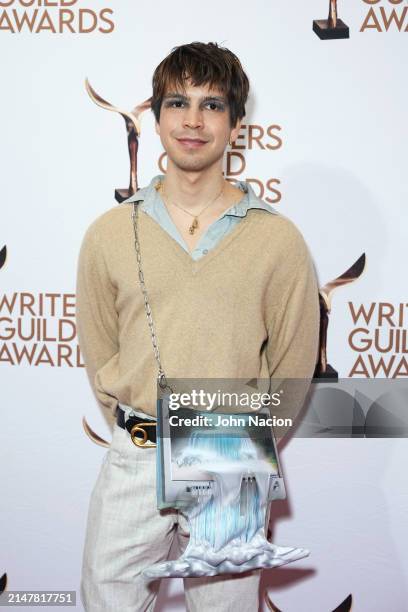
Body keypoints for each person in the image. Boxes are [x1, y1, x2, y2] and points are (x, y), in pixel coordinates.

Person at [76, 41, 320, 612]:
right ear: (156, 119)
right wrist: (144, 423)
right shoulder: (110, 232)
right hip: (135, 453)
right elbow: (100, 349)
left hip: (230, 452)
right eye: (177, 103)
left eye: (212, 105)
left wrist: (237, 440)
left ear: (237, 125)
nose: (192, 120)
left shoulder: (277, 239)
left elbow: (293, 363)